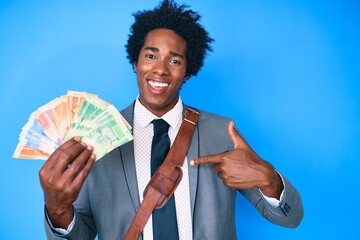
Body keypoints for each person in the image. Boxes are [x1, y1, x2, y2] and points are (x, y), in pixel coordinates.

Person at [39, 0, 304, 239]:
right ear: (135, 61)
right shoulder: (96, 138)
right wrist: (57, 207)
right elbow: (79, 236)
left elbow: (290, 218)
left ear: (187, 72)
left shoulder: (223, 132)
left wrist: (268, 178)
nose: (160, 70)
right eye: (151, 56)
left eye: (175, 61)